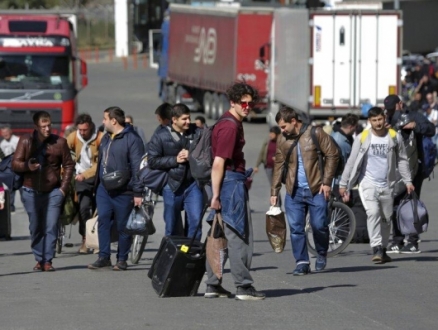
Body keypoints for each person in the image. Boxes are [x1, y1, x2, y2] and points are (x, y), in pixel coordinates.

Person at [205, 82, 265, 301]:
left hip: (226, 184)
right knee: (239, 236)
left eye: (250, 103)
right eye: (243, 103)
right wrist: (216, 196)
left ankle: (213, 285)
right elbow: (218, 163)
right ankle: (243, 286)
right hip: (229, 185)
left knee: (217, 236)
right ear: (233, 102)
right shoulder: (230, 127)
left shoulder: (229, 121)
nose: (248, 107)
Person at [339, 107, 414, 264]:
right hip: (367, 183)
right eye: (374, 120)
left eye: (380, 119)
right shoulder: (363, 137)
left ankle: (383, 249)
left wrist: (408, 181)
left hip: (387, 184)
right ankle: (376, 248)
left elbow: (402, 159)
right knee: (373, 213)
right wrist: (343, 183)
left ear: (384, 119)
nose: (378, 123)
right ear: (369, 121)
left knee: (386, 219)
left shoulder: (394, 136)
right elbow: (351, 162)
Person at [271, 106, 339, 276]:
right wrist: (274, 191)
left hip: (316, 189)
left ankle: (321, 252)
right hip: (294, 191)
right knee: (296, 229)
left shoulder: (315, 133)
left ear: (294, 121)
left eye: (284, 126)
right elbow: (278, 164)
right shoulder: (282, 139)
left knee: (319, 226)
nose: (282, 130)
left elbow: (332, 153)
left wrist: (327, 182)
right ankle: (302, 262)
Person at [12, 111, 75, 271]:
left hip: (53, 191)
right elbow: (15, 163)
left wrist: (63, 188)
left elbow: (68, 165)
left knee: (51, 225)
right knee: (36, 227)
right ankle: (39, 258)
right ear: (36, 127)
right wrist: (27, 166)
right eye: (43, 126)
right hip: (30, 191)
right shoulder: (26, 141)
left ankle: (47, 260)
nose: (47, 129)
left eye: (49, 125)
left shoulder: (60, 142)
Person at [88, 106, 144, 271]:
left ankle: (121, 259)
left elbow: (138, 167)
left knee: (123, 225)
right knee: (103, 220)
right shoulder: (106, 137)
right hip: (104, 188)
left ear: (113, 120)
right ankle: (104, 256)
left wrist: (138, 192)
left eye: (105, 118)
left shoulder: (132, 139)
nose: (102, 121)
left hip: (124, 190)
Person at [384, 95, 435, 253]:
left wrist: (415, 126)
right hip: (395, 169)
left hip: (415, 168)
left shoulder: (414, 116)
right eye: (390, 110)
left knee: (411, 203)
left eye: (393, 109)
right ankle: (398, 240)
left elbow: (431, 129)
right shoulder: (388, 120)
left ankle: (412, 241)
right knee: (395, 204)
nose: (392, 112)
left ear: (400, 104)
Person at [147, 103, 203, 240]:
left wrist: (191, 155)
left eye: (189, 118)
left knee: (195, 223)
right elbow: (152, 161)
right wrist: (175, 160)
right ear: (174, 119)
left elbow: (208, 153)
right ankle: (172, 256)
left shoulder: (198, 133)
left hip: (193, 185)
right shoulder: (160, 136)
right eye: (184, 119)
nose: (188, 122)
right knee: (171, 227)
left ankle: (191, 253)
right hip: (171, 186)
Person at [66, 114, 103, 254]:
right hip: (80, 178)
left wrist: (85, 174)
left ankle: (96, 240)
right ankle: (85, 238)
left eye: (85, 130)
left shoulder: (100, 137)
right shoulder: (74, 137)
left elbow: (99, 163)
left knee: (97, 209)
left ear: (90, 127)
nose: (82, 132)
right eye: (80, 129)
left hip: (97, 177)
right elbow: (63, 150)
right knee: (83, 208)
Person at [254, 126, 282, 206]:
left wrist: (278, 158)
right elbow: (262, 153)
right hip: (268, 167)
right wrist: (257, 165)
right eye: (270, 133)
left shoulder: (281, 142)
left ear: (277, 134)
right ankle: (275, 203)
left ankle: (276, 204)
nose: (270, 135)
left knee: (275, 185)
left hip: (278, 168)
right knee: (273, 185)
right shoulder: (267, 141)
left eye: (272, 134)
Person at [0, 124, 20, 212]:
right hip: (9, 169)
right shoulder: (2, 144)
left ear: (10, 132)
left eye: (6, 132)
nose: (5, 134)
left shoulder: (17, 140)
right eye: (3, 133)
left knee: (22, 187)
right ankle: (10, 207)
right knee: (10, 188)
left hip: (19, 167)